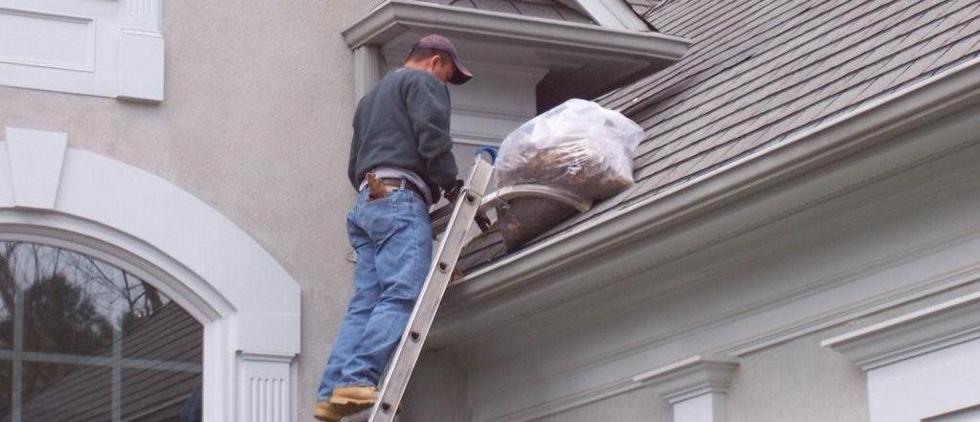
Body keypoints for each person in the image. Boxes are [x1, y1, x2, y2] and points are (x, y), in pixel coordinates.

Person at [314, 34, 472, 422]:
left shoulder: (370, 101)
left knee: (366, 303)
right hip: (400, 199)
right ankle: (359, 377)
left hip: (368, 204)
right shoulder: (423, 83)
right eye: (449, 75)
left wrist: (379, 192)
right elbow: (433, 136)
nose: (447, 84)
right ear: (436, 62)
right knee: (404, 293)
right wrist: (452, 185)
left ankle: (331, 391)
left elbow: (355, 166)